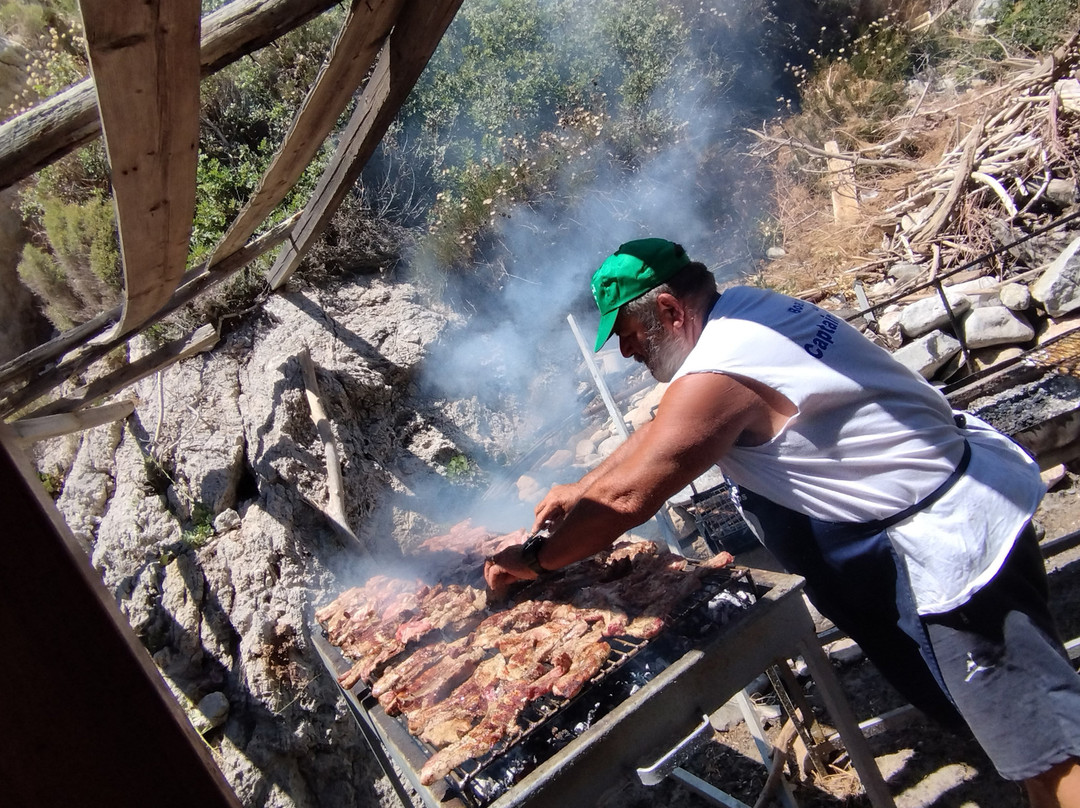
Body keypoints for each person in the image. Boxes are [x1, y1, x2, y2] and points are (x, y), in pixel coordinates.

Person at [483, 237, 1080, 807]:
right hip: (936, 523)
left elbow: (630, 499)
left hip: (950, 553)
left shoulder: (723, 369)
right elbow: (658, 432)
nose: (626, 352)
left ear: (668, 309)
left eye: (631, 334)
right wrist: (578, 488)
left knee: (1051, 755)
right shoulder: (743, 312)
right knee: (1009, 733)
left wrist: (536, 562)